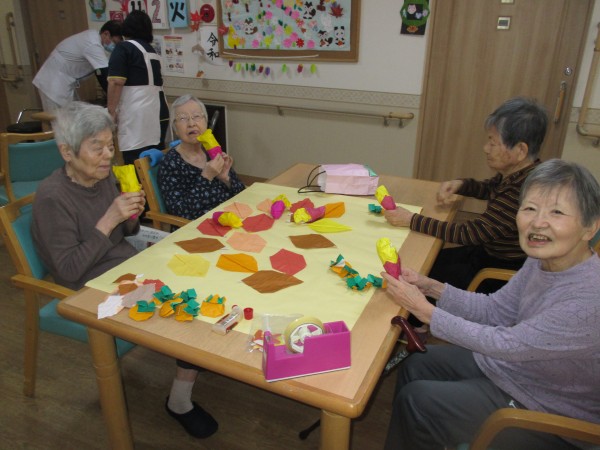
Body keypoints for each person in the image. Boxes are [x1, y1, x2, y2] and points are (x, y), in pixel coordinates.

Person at [381, 159, 600, 450]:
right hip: (518, 370)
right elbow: (496, 310)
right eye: (530, 208)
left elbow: (507, 344)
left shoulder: (587, 301)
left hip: (546, 410)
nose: (538, 222)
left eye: (556, 212)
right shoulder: (542, 260)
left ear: (590, 228)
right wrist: (431, 287)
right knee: (417, 363)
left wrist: (425, 311)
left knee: (418, 400)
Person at [31, 101, 218, 439]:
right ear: (67, 152)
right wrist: (109, 220)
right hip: (91, 288)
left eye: (110, 145)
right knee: (188, 313)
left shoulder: (102, 178)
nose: (108, 155)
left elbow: (126, 233)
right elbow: (69, 271)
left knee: (204, 277)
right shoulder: (52, 198)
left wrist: (132, 215)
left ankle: (193, 360)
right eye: (97, 147)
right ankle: (179, 401)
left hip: (127, 268)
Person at [384, 97, 548, 294]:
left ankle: (420, 313)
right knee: (428, 260)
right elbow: (491, 188)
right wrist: (462, 185)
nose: (486, 148)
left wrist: (412, 220)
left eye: (493, 143)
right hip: (486, 253)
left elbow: (468, 233)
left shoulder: (522, 192)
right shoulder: (524, 173)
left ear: (520, 150)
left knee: (417, 270)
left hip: (494, 271)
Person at [158, 95, 245, 220]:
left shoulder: (212, 152)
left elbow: (241, 193)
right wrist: (206, 177)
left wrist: (226, 179)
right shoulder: (170, 163)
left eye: (197, 116)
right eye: (182, 118)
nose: (191, 124)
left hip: (230, 217)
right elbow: (180, 213)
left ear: (205, 122)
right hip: (198, 226)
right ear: (175, 129)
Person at [107, 10, 169, 164]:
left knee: (135, 162)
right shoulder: (152, 51)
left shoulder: (124, 48)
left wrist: (111, 112)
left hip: (137, 116)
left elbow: (116, 82)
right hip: (160, 112)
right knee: (154, 160)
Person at [32, 21, 123, 113]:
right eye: (114, 42)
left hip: (64, 82)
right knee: (58, 118)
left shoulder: (93, 37)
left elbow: (102, 72)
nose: (114, 46)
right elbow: (103, 74)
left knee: (73, 115)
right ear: (106, 33)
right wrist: (116, 99)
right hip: (53, 85)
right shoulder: (93, 44)